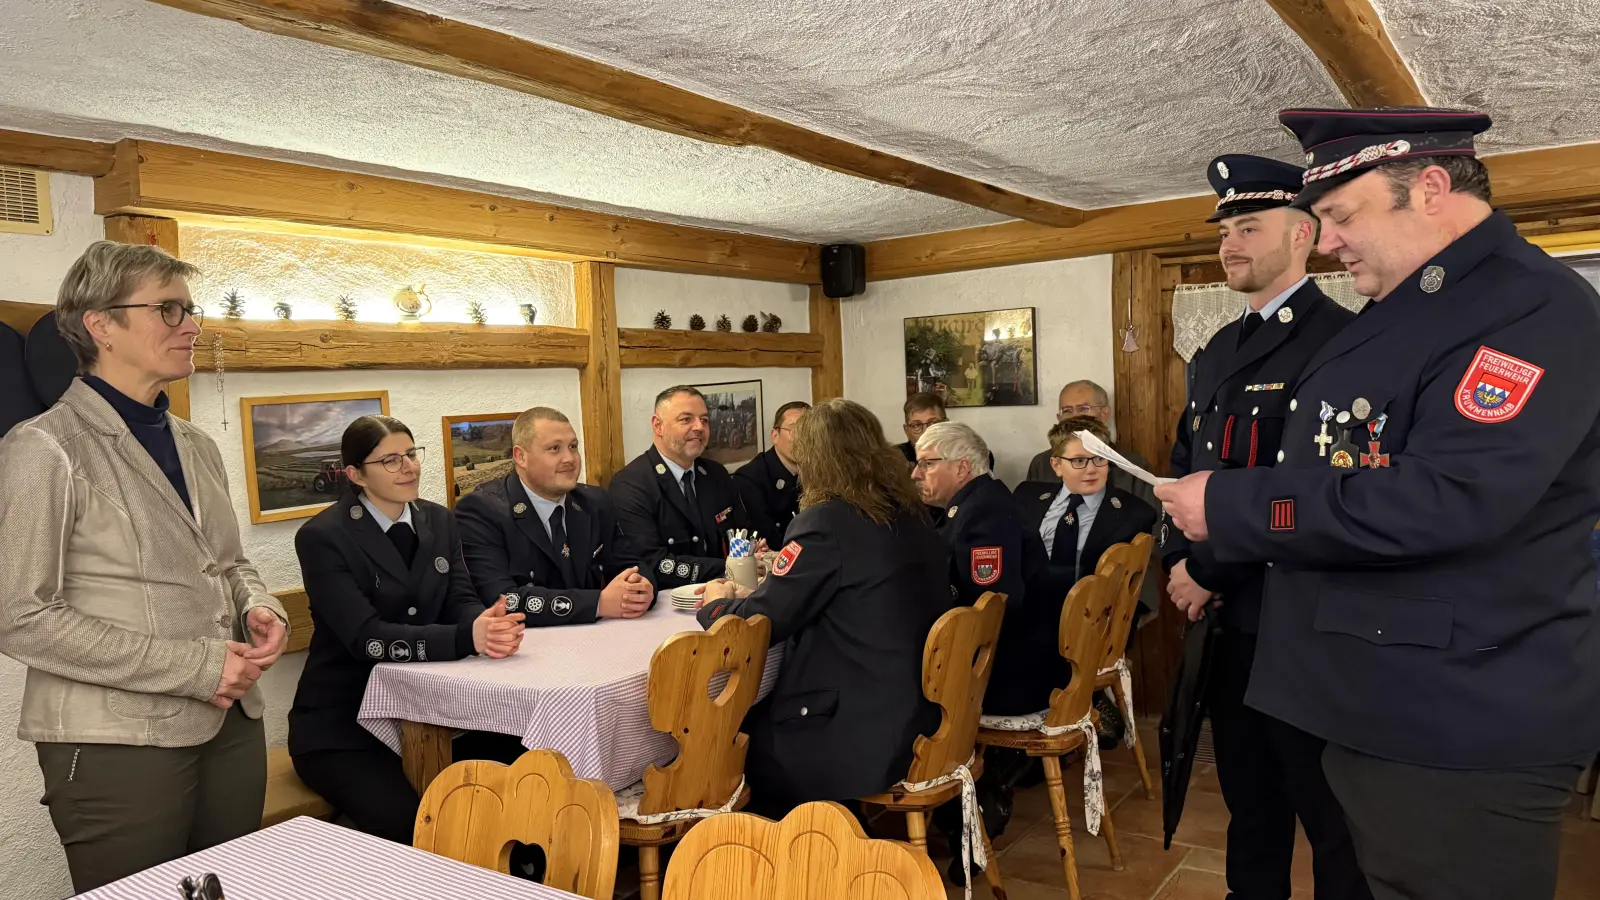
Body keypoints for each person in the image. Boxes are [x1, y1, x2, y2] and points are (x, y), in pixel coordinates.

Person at [1155, 108, 1600, 900]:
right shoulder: (1414, 306)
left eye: (1339, 216)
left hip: (1453, 715)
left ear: (1429, 188)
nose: (1328, 242)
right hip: (1369, 695)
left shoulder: (1530, 308)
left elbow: (1447, 497)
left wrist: (1234, 507)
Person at [0, 241, 289, 893]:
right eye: (167, 309)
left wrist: (257, 605)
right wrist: (196, 666)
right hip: (114, 742)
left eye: (190, 310)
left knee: (230, 886)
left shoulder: (196, 444)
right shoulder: (43, 447)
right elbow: (18, 616)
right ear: (100, 324)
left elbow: (228, 561)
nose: (189, 325)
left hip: (233, 723)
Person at [1159, 153, 1368, 900]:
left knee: (1330, 819)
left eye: (1249, 227)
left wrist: (1206, 570)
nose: (1230, 246)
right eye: (1224, 233)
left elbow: (1309, 495)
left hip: (1300, 623)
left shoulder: (1341, 342)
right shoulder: (1218, 348)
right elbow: (1186, 466)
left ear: (1304, 236)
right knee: (1251, 807)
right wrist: (1181, 561)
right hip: (1228, 626)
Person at [696, 399, 952, 818]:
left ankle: (795, 860)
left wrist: (716, 607)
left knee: (733, 740)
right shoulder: (910, 511)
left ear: (816, 459)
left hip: (858, 729)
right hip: (919, 709)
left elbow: (764, 623)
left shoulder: (827, 522)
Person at [290, 415, 526, 844]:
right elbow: (368, 638)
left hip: (437, 713)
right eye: (391, 461)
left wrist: (482, 621)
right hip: (345, 727)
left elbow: (459, 596)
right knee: (416, 827)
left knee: (516, 782)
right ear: (355, 475)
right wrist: (464, 638)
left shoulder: (438, 520)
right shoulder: (323, 536)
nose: (409, 468)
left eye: (412, 454)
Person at [911, 420, 1051, 867]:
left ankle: (969, 803)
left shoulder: (985, 513)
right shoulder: (974, 504)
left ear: (963, 467)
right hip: (1018, 655)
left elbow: (987, 609)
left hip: (1009, 670)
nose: (916, 474)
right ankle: (966, 800)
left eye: (927, 464)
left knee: (911, 695)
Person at [456, 406, 655, 625]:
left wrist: (642, 586)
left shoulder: (594, 501)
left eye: (573, 446)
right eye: (554, 449)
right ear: (520, 456)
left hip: (596, 637)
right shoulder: (481, 511)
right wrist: (598, 603)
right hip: (524, 647)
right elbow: (503, 600)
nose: (569, 458)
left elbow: (632, 563)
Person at [1025, 379, 1161, 618]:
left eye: (1084, 408)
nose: (1077, 416)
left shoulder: (1133, 467)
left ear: (1104, 413)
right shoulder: (1040, 465)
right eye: (1068, 410)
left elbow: (1151, 535)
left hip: (1111, 597)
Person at [610, 386, 752, 587]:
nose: (699, 427)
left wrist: (751, 555)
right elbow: (652, 563)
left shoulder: (716, 474)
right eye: (686, 419)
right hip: (668, 605)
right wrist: (731, 568)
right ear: (658, 426)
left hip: (727, 593)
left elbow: (742, 532)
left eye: (704, 420)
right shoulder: (631, 485)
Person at [733, 400, 809, 545]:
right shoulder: (750, 479)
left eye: (809, 431)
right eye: (795, 430)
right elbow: (770, 539)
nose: (804, 438)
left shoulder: (820, 470)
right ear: (775, 436)